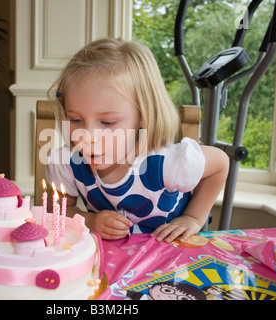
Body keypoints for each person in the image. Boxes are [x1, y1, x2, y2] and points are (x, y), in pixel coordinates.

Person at [45, 38, 229, 243]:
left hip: (167, 258)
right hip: (109, 262)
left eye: (107, 122)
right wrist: (89, 220)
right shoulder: (68, 163)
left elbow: (220, 163)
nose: (88, 136)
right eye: (76, 120)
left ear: (143, 115)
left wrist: (193, 217)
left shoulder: (167, 163)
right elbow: (60, 211)